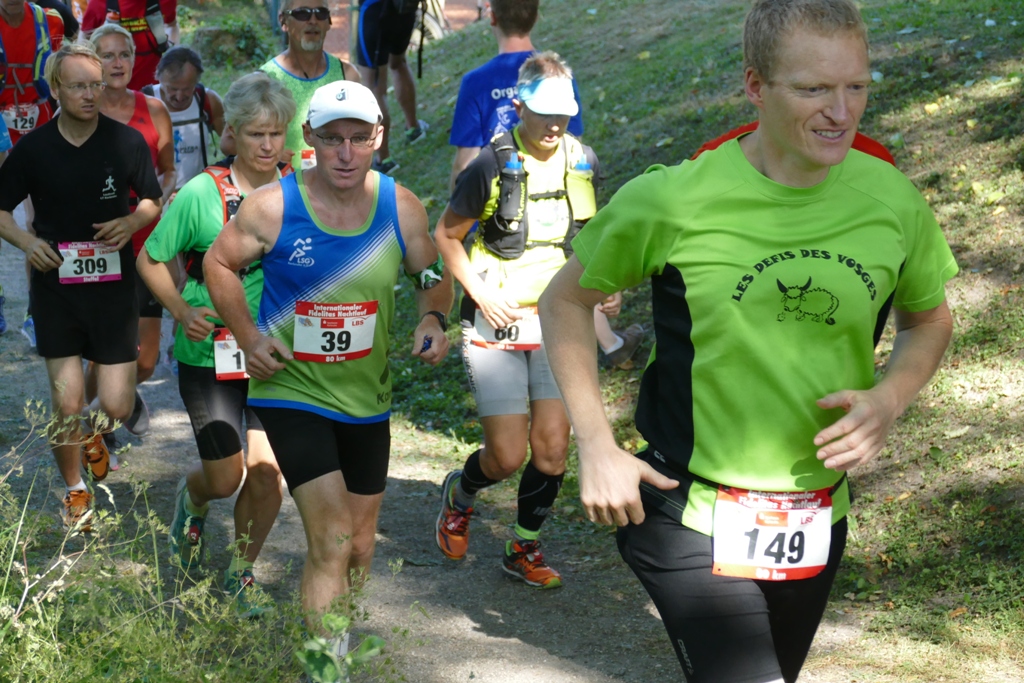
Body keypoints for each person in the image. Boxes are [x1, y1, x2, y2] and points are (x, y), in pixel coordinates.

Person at [538, 0, 958, 680]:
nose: (841, 111)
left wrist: (889, 398)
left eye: (856, 85)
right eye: (814, 89)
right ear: (756, 86)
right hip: (686, 510)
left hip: (816, 515)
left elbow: (928, 320)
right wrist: (595, 442)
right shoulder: (674, 199)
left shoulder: (891, 200)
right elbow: (564, 301)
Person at [204, 80, 452, 652]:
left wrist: (433, 319)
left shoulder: (400, 206)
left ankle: (336, 635)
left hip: (366, 396)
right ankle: (327, 663)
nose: (345, 152)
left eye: (358, 138)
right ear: (309, 136)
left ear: (378, 138)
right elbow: (218, 262)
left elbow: (431, 276)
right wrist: (248, 335)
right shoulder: (273, 206)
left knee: (360, 543)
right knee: (334, 536)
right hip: (291, 390)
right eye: (332, 138)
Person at [433, 53, 609, 588]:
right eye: (544, 113)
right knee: (507, 456)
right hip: (497, 325)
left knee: (552, 450)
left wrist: (607, 286)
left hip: (558, 322)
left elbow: (592, 237)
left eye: (564, 114)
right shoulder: (489, 165)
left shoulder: (582, 160)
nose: (555, 125)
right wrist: (481, 294)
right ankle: (461, 494)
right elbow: (446, 235)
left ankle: (523, 546)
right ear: (519, 106)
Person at [138, 72, 294, 614]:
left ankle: (240, 574)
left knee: (268, 473)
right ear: (234, 133)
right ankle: (195, 497)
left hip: (275, 355)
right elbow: (150, 259)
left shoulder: (299, 191)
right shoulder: (202, 193)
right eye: (256, 134)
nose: (267, 145)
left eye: (276, 133)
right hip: (211, 354)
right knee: (226, 478)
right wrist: (182, 311)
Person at [0, 42, 162, 530]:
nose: (91, 94)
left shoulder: (125, 142)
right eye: (78, 86)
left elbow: (152, 200)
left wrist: (131, 221)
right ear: (56, 89)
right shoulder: (33, 149)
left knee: (117, 404)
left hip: (113, 289)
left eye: (96, 84)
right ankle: (74, 489)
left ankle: (91, 430)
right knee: (66, 400)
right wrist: (28, 243)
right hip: (57, 288)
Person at [448, 0, 639, 368]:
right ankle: (608, 342)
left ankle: (604, 343)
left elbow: (465, 160)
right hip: (549, 207)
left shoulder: (476, 82)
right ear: (536, 15)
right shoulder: (559, 78)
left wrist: (463, 206)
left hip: (494, 210)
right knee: (565, 258)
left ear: (492, 17)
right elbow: (571, 149)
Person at [87, 22, 174, 444]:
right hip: (98, 242)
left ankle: (109, 404)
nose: (117, 62)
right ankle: (89, 428)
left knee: (146, 361)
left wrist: (154, 203)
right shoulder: (81, 110)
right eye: (107, 55)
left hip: (146, 241)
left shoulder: (154, 109)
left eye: (124, 54)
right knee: (105, 350)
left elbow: (168, 171)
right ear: (94, 63)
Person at [0, 0, 64, 341]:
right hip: (0, 129)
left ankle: (36, 308)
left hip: (38, 129)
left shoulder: (50, 20)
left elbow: (69, 69)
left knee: (39, 222)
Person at [256, 0, 359, 170]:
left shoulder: (348, 77)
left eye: (321, 13)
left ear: (329, 22)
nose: (313, 20)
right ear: (283, 21)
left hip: (335, 182)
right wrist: (268, 153)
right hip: (282, 182)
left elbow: (362, 138)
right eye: (302, 13)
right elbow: (230, 142)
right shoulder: (265, 80)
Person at [355, 0, 428, 175]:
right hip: (405, 9)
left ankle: (384, 160)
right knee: (398, 63)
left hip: (375, 11)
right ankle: (414, 128)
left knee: (374, 86)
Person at [143, 45, 226, 192]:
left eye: (187, 89)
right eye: (172, 89)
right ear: (159, 78)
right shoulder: (145, 102)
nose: (179, 97)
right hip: (155, 194)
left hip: (196, 193)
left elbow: (232, 144)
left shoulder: (207, 101)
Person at [80, 0, 176, 91]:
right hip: (110, 92)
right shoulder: (99, 3)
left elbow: (171, 25)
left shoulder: (165, 2)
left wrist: (173, 58)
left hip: (152, 90)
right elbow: (84, 38)